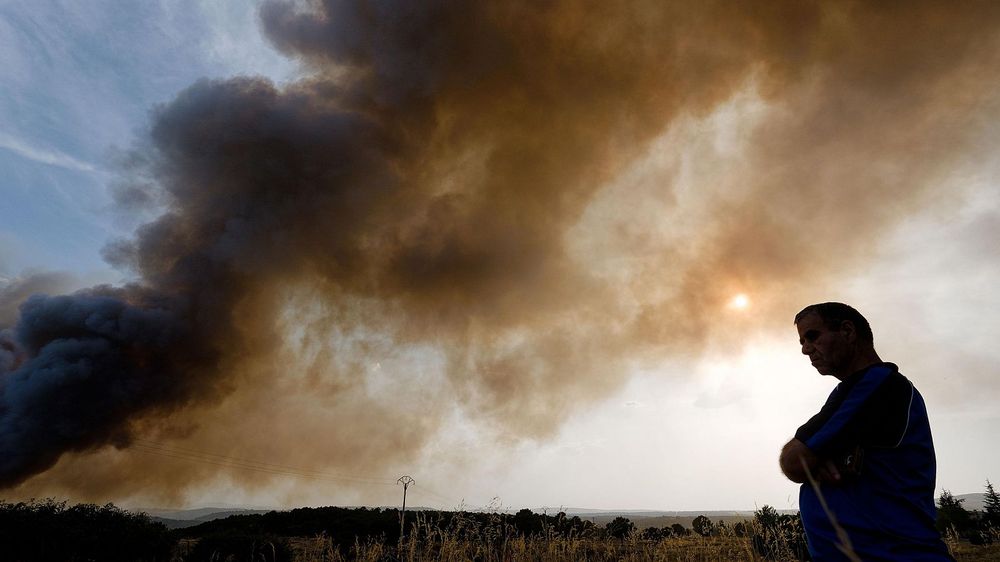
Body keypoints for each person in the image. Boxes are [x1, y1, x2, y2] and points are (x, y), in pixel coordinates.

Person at [779, 302, 953, 561]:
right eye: (802, 341)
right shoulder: (868, 388)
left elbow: (793, 461)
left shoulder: (875, 385)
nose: (805, 349)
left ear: (848, 331)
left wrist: (814, 460)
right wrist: (824, 458)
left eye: (812, 336)